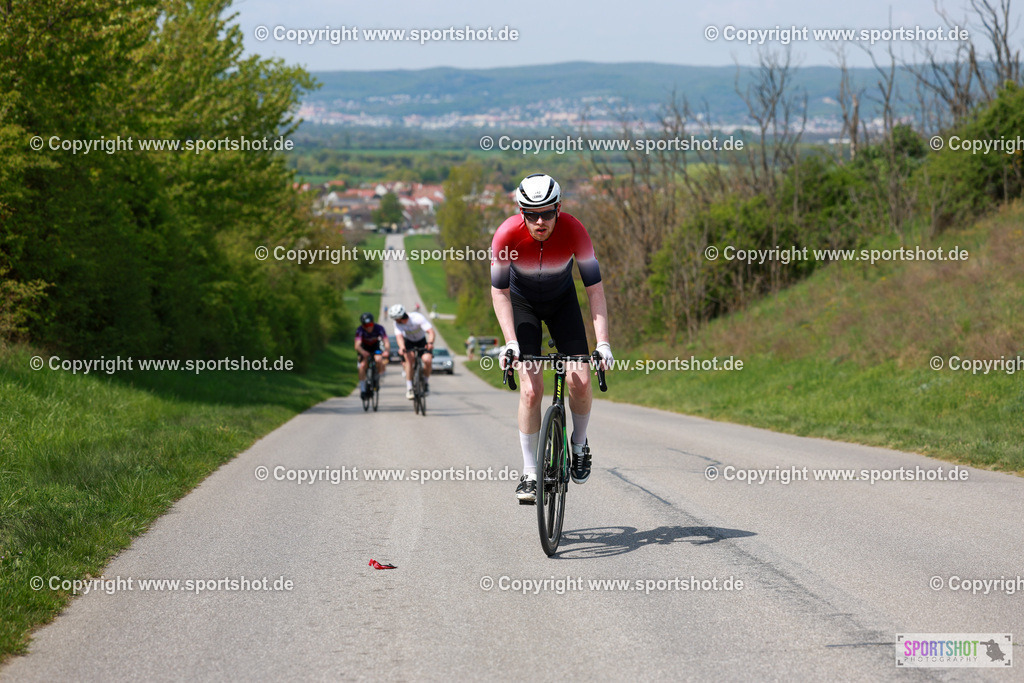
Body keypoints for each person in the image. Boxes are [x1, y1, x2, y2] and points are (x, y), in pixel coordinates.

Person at [490, 173, 612, 504]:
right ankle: (530, 473)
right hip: (522, 303)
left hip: (562, 303)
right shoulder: (505, 235)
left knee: (581, 381)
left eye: (546, 213)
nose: (540, 221)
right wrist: (510, 341)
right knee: (530, 390)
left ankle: (579, 444)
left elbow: (594, 290)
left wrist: (602, 344)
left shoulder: (575, 230)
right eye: (531, 214)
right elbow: (499, 291)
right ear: (521, 212)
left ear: (559, 208)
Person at [388, 303, 435, 399]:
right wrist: (401, 347)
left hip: (422, 341)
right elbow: (399, 337)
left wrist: (430, 342)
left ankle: (425, 382)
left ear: (401, 316)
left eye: (396, 318)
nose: (395, 321)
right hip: (409, 342)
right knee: (409, 361)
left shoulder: (417, 318)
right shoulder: (397, 323)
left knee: (427, 360)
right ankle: (409, 388)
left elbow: (431, 332)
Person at [355, 312, 389, 398]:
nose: (369, 327)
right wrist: (363, 352)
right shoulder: (360, 330)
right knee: (362, 366)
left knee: (379, 359)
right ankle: (363, 389)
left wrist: (386, 350)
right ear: (363, 325)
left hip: (375, 348)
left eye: (370, 324)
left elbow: (386, 341)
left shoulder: (379, 328)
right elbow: (357, 345)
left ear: (373, 322)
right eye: (366, 325)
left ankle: (377, 377)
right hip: (364, 348)